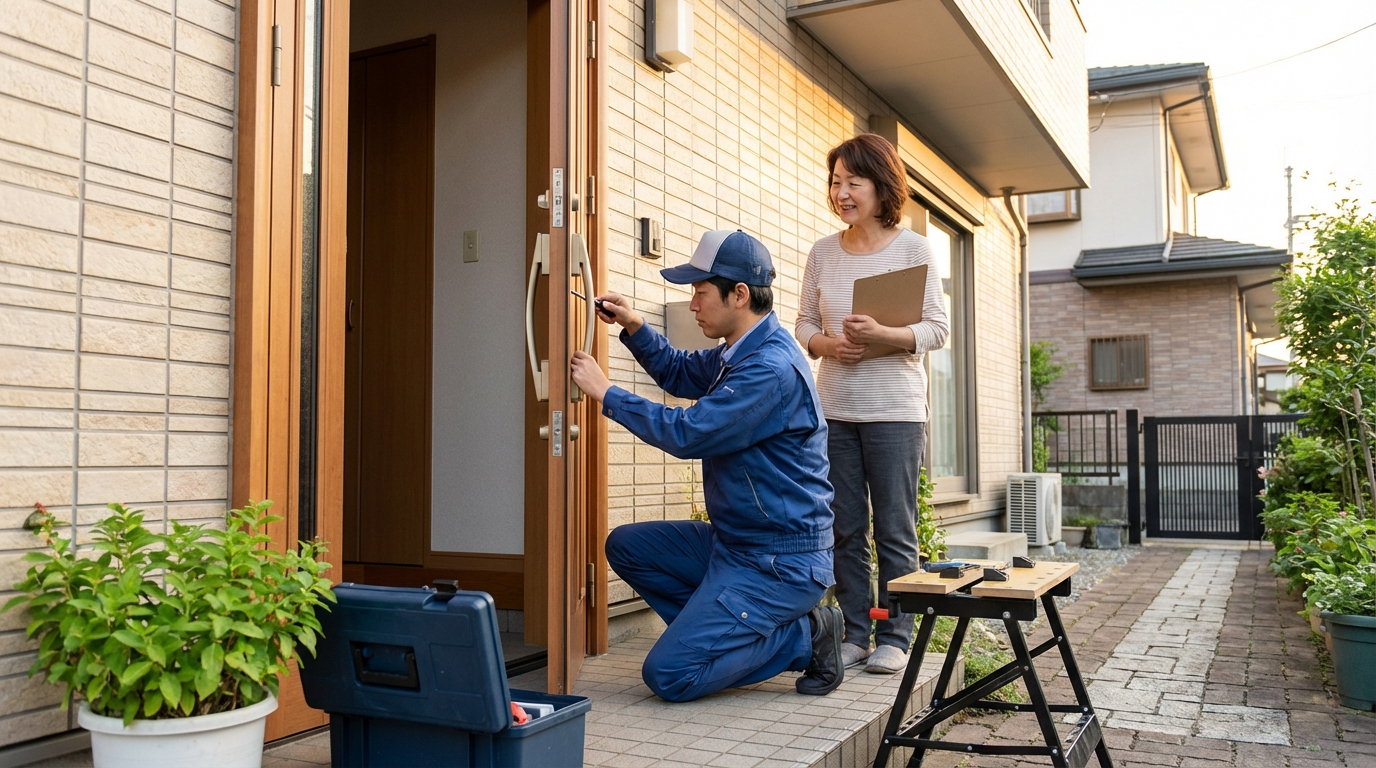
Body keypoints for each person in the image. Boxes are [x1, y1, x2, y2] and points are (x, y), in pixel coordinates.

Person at [569, 229, 844, 702]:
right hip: (734, 544)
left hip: (779, 561)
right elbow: (678, 371)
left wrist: (606, 393)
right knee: (628, 547)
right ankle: (719, 634)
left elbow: (688, 433)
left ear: (739, 295)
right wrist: (633, 326)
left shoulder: (769, 369)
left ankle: (807, 636)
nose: (692, 304)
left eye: (699, 292)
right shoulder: (736, 353)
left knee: (670, 676)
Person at [795, 134, 950, 675]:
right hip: (835, 406)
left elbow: (937, 330)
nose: (841, 192)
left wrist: (883, 332)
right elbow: (804, 327)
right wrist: (831, 345)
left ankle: (897, 634)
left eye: (852, 182)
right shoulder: (822, 251)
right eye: (835, 181)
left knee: (894, 527)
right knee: (843, 526)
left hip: (896, 411)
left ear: (881, 187)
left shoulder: (914, 249)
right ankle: (857, 631)